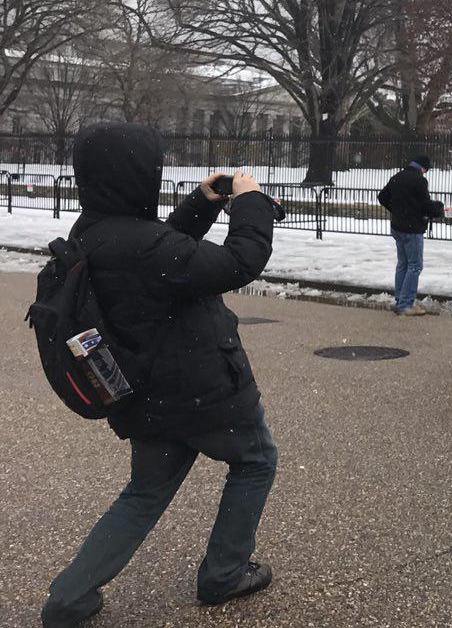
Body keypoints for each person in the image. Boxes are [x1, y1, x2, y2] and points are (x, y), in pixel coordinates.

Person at [41, 123, 278, 626]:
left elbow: (164, 255)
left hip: (145, 399)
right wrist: (251, 203)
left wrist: (202, 203)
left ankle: (69, 597)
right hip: (203, 393)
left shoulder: (94, 233)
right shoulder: (145, 246)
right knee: (256, 460)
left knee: (145, 493)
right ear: (138, 176)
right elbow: (238, 262)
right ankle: (224, 574)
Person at [376, 154, 444, 316]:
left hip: (397, 227)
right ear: (423, 168)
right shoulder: (419, 180)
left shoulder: (397, 177)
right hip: (412, 229)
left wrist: (398, 210)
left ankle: (400, 300)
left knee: (403, 264)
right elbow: (425, 204)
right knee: (415, 266)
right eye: (426, 170)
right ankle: (406, 305)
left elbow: (382, 197)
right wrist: (438, 209)